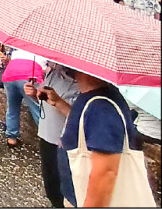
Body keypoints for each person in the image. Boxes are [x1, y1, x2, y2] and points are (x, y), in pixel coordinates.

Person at [45, 70, 151, 207]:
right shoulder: (93, 97)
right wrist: (58, 102)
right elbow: (85, 127)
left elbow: (106, 172)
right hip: (76, 195)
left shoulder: (102, 107)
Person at [23, 63, 81, 207]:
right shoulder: (54, 72)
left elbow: (82, 119)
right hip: (46, 134)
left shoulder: (83, 85)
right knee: (50, 182)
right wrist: (35, 94)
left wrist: (59, 102)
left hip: (65, 142)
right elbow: (47, 102)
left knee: (66, 187)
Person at [1, 49, 44, 147]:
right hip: (27, 77)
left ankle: (11, 138)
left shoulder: (19, 48)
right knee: (37, 109)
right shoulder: (42, 52)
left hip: (9, 75)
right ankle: (45, 139)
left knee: (12, 107)